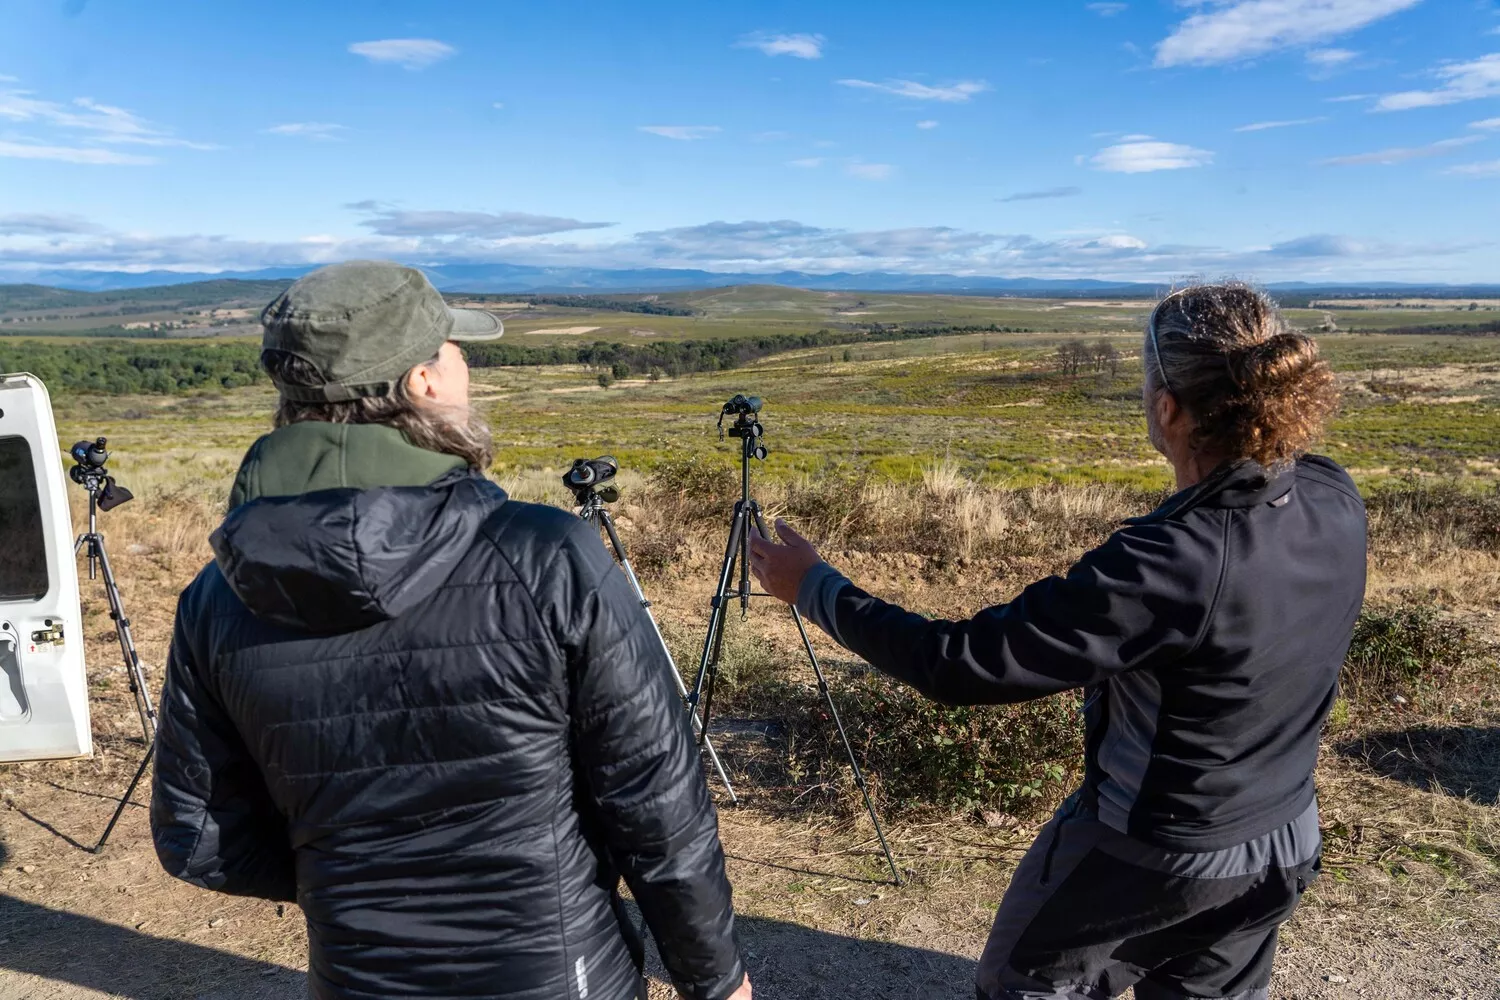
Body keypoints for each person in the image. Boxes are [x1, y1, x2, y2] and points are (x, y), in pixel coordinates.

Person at [151, 260, 751, 1000]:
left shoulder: (215, 598)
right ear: (422, 382)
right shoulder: (545, 556)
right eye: (450, 348)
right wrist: (715, 980)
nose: (465, 363)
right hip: (558, 972)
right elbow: (657, 803)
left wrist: (347, 871)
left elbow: (198, 836)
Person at [750, 282, 1364, 1000]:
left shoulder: (1174, 562)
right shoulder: (1330, 494)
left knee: (1022, 982)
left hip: (1158, 849)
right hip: (1283, 838)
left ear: (1167, 407)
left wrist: (818, 588)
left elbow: (959, 664)